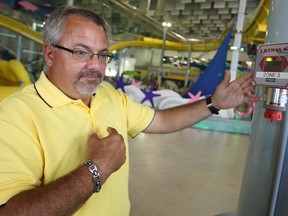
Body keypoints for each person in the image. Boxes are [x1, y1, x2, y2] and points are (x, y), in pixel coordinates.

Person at [0, 6, 261, 216]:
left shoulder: (109, 96)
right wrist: (97, 168)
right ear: (49, 54)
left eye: (103, 55)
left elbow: (160, 120)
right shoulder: (14, 115)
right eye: (81, 52)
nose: (96, 66)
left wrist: (213, 103)